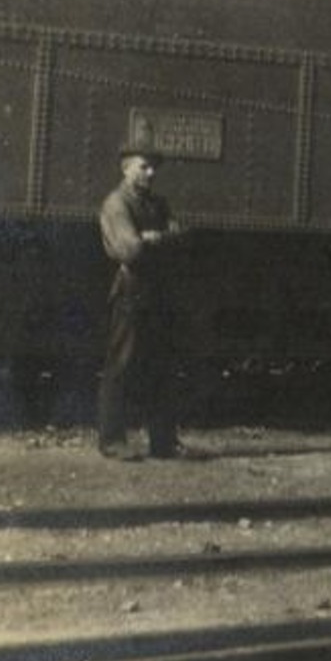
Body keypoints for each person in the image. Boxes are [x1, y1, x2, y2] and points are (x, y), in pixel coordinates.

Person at [96, 145, 187, 460]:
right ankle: (111, 440)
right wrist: (154, 239)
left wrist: (153, 238)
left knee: (161, 365)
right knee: (121, 363)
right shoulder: (115, 204)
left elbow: (180, 236)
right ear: (126, 168)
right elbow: (130, 250)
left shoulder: (158, 204)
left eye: (153, 168)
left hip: (157, 288)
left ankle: (163, 442)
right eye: (144, 167)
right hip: (132, 290)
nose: (151, 173)